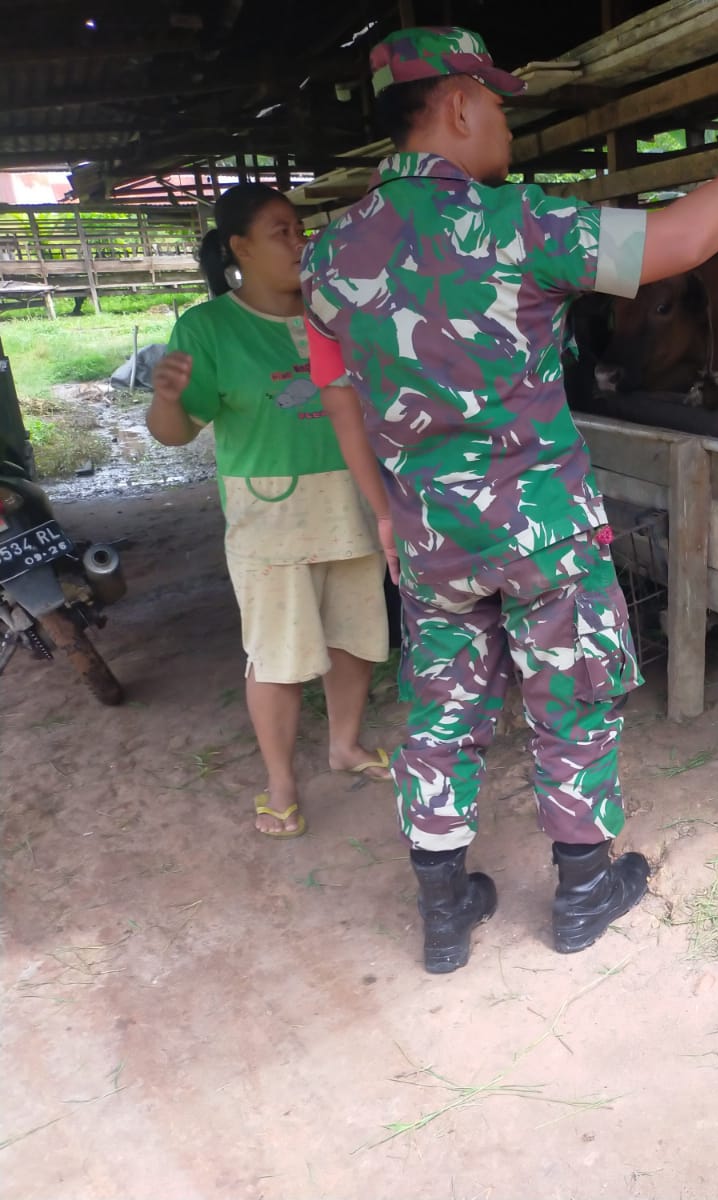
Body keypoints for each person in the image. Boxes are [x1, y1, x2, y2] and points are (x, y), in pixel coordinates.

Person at [301, 26, 718, 973]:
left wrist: (383, 509)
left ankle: (443, 913)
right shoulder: (519, 222)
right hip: (542, 529)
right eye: (500, 104)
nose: (506, 124)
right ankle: (586, 892)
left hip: (430, 538)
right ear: (459, 104)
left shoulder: (330, 256)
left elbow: (338, 393)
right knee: (571, 697)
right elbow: (679, 241)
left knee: (440, 713)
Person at [147, 184, 392, 840]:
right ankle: (281, 783)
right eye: (281, 231)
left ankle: (344, 746)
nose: (298, 241)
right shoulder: (208, 328)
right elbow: (176, 432)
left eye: (300, 228)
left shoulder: (334, 310)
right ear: (240, 248)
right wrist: (165, 400)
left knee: (355, 634)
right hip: (272, 517)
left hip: (351, 498)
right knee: (277, 654)